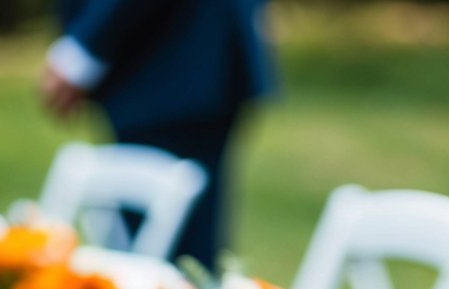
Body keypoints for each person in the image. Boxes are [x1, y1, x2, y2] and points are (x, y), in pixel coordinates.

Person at [41, 0, 276, 268]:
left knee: (171, 261)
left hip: (172, 60)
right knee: (167, 252)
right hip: (178, 59)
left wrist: (83, 50)